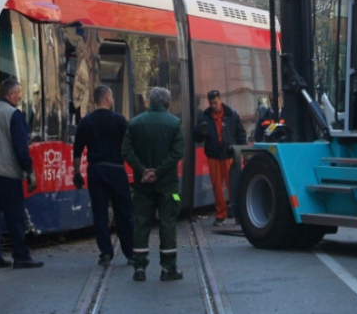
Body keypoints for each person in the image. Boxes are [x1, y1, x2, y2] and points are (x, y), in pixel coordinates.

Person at [0, 79, 44, 270]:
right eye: (19, 94)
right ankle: (21, 255)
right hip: (7, 172)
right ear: (11, 95)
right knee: (14, 215)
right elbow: (20, 147)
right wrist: (28, 170)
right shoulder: (13, 115)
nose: (20, 97)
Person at [122, 87, 184, 282]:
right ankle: (168, 268)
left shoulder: (135, 123)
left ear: (150, 102)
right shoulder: (175, 124)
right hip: (168, 187)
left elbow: (126, 151)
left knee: (141, 224)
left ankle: (139, 267)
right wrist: (158, 171)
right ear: (167, 103)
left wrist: (143, 170)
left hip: (142, 186)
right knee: (168, 223)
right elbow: (177, 153)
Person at [73, 85, 135, 267]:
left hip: (96, 171)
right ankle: (130, 253)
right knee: (123, 212)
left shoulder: (86, 122)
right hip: (116, 170)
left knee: (100, 213)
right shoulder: (120, 120)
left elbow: (77, 151)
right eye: (112, 97)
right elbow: (131, 144)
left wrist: (77, 172)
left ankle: (106, 254)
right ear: (107, 98)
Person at [193, 89, 247, 226]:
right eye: (211, 103)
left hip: (229, 155)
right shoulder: (205, 117)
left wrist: (243, 152)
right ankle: (221, 214)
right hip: (214, 156)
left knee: (233, 186)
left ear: (220, 101)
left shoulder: (231, 114)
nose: (213, 106)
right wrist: (200, 131)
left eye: (215, 103)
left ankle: (238, 214)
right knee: (217, 186)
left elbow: (240, 134)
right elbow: (197, 137)